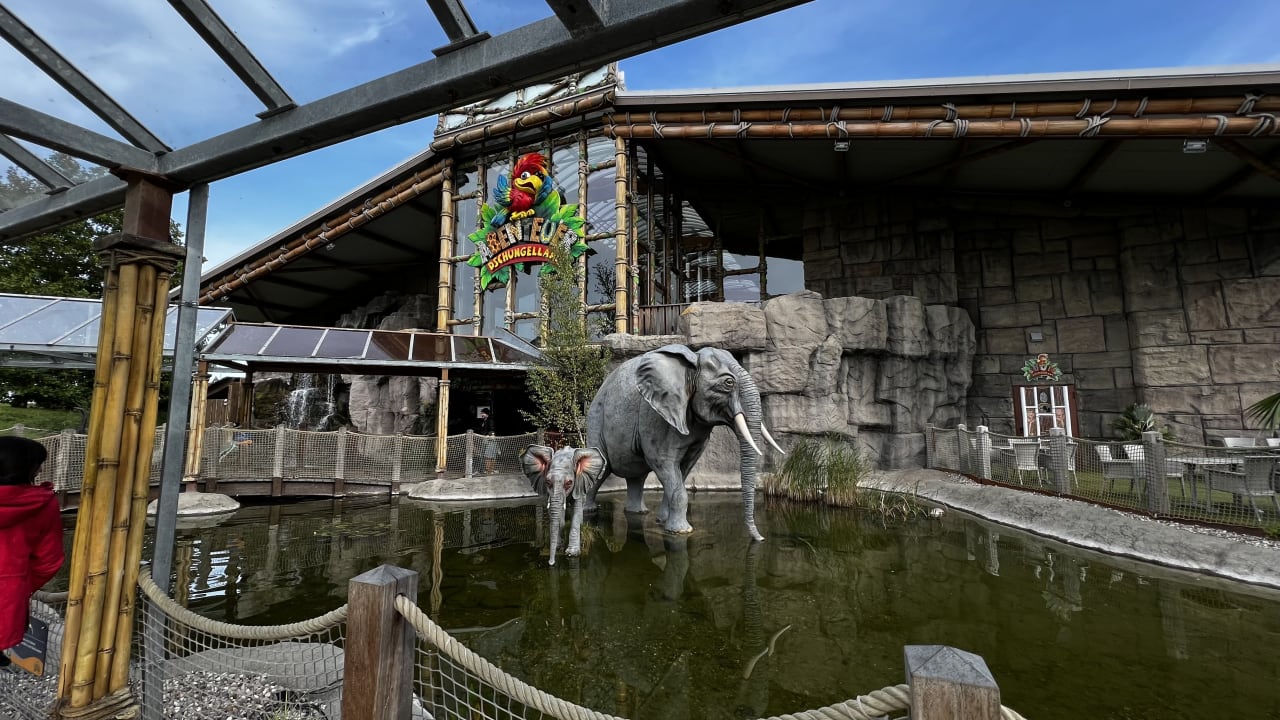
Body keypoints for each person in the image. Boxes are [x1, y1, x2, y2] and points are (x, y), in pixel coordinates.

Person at [0, 436, 63, 667]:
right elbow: (49, 561)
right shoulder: (42, 505)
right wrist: (17, 584)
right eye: (38, 464)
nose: (40, 470)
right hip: (7, 598)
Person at [478, 409, 498, 474]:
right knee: (485, 455)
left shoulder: (490, 420)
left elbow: (492, 429)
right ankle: (487, 470)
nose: (481, 415)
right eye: (481, 413)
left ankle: (490, 470)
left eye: (482, 413)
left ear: (486, 414)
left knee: (490, 455)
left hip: (490, 439)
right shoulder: (484, 421)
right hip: (485, 439)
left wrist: (490, 435)